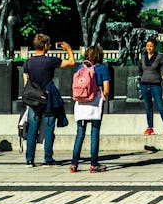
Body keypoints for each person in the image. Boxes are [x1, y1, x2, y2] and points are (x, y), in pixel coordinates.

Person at [23, 34, 75, 167]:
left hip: (34, 99)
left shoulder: (28, 62)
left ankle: (29, 159)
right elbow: (71, 63)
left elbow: (26, 82)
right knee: (49, 128)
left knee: (32, 130)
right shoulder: (50, 61)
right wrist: (68, 49)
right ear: (45, 46)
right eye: (49, 44)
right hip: (48, 97)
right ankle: (48, 158)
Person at [71, 45, 111, 173]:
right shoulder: (102, 68)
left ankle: (74, 164)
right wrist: (103, 96)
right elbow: (107, 89)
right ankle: (94, 165)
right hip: (95, 103)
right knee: (94, 134)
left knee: (80, 134)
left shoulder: (80, 67)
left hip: (80, 104)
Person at [139, 38, 163, 135]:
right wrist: (142, 78)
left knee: (160, 106)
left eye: (151, 46)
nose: (149, 48)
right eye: (147, 46)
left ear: (154, 47)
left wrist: (161, 78)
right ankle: (150, 127)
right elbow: (140, 70)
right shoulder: (143, 57)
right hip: (144, 84)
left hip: (155, 85)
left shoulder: (159, 57)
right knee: (148, 107)